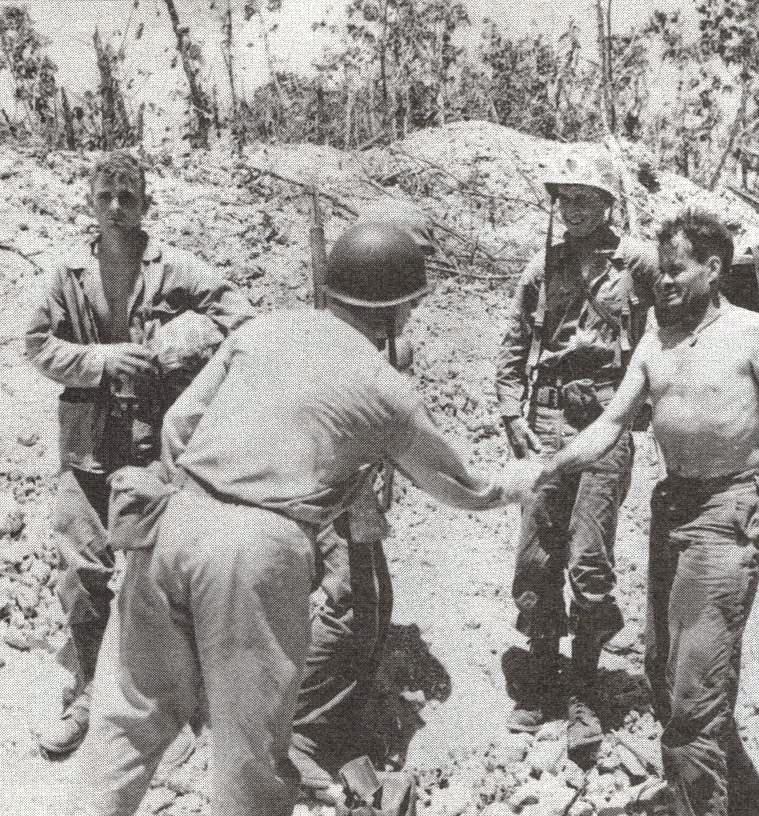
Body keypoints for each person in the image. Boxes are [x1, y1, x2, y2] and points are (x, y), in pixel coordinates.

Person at [76, 222, 540, 816]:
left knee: (129, 724)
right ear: (405, 307)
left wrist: (208, 497)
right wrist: (518, 485)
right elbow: (463, 488)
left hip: (172, 520)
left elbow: (177, 426)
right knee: (250, 757)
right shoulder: (385, 390)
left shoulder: (266, 329)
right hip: (255, 549)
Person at [534, 210, 759, 816]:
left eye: (678, 270)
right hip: (673, 509)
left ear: (713, 270)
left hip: (730, 510)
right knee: (664, 673)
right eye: (661, 270)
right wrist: (546, 467)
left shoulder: (749, 333)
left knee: (695, 689)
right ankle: (730, 803)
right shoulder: (654, 335)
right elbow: (611, 422)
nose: (663, 281)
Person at [23, 151, 252, 758]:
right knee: (81, 576)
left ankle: (172, 700)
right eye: (107, 197)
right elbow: (36, 344)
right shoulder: (68, 274)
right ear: (91, 204)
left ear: (147, 204)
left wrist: (181, 341)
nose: (118, 208)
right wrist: (101, 362)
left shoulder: (171, 266)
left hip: (154, 448)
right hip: (87, 449)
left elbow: (236, 312)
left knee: (161, 576)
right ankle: (81, 696)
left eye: (129, 197)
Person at [495, 151, 658, 749]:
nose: (573, 210)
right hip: (546, 416)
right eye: (565, 199)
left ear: (609, 204)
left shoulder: (636, 266)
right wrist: (512, 412)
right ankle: (540, 677)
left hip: (606, 421)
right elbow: (515, 343)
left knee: (589, 560)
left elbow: (694, 292)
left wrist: (657, 259)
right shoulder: (541, 268)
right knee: (537, 556)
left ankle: (585, 691)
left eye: (586, 199)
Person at [289, 197, 436, 792]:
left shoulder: (384, 335)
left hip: (356, 489)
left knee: (375, 601)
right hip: (321, 489)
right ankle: (298, 726)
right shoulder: (330, 335)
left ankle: (344, 714)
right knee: (349, 605)